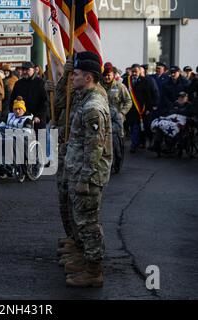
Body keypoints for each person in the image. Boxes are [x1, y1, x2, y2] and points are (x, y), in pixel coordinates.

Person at [62, 53, 112, 287]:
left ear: (89, 77)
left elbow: (95, 147)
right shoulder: (86, 99)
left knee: (88, 223)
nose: (73, 77)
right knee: (81, 220)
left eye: (77, 74)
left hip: (88, 176)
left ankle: (94, 271)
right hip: (79, 171)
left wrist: (85, 179)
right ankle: (86, 260)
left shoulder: (92, 106)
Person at [123, 64, 153, 153]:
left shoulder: (144, 81)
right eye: (133, 71)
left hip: (140, 108)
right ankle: (137, 143)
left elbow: (148, 95)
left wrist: (148, 108)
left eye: (136, 71)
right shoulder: (126, 80)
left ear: (139, 71)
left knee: (139, 127)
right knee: (133, 126)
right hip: (130, 108)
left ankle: (135, 144)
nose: (134, 73)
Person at [10, 61, 48, 131]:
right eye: (23, 69)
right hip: (22, 120)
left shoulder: (41, 83)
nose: (24, 72)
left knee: (41, 140)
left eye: (27, 69)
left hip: (38, 121)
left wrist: (39, 116)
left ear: (33, 70)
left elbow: (45, 102)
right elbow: (12, 100)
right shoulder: (18, 84)